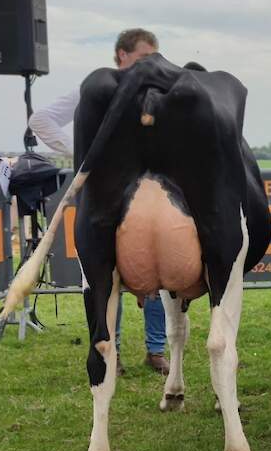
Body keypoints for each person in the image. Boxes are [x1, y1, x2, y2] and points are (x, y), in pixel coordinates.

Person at [28, 28, 169, 375]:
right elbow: (40, 120)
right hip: (104, 196)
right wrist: (81, 152)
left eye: (154, 58)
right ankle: (111, 350)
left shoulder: (156, 93)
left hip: (146, 196)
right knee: (105, 276)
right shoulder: (94, 91)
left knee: (155, 274)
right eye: (143, 58)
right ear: (122, 55)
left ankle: (155, 349)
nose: (150, 65)